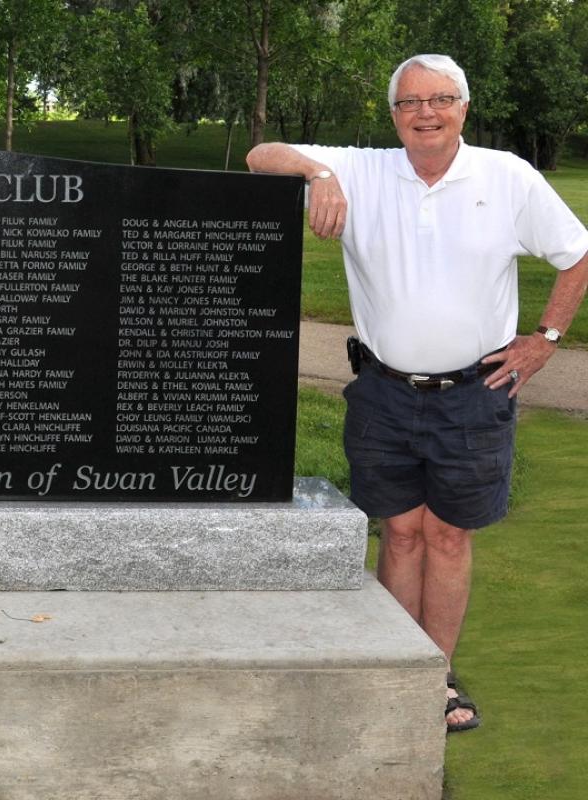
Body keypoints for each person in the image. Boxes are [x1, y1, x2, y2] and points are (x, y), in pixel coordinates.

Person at [247, 53, 588, 733]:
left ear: (464, 106)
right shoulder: (364, 168)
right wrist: (319, 174)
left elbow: (577, 253)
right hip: (383, 392)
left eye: (440, 99)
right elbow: (261, 154)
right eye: (409, 103)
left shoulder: (507, 177)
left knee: (448, 537)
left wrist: (544, 338)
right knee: (400, 534)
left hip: (474, 392)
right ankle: (396, 670)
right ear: (394, 113)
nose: (425, 113)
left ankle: (436, 677)